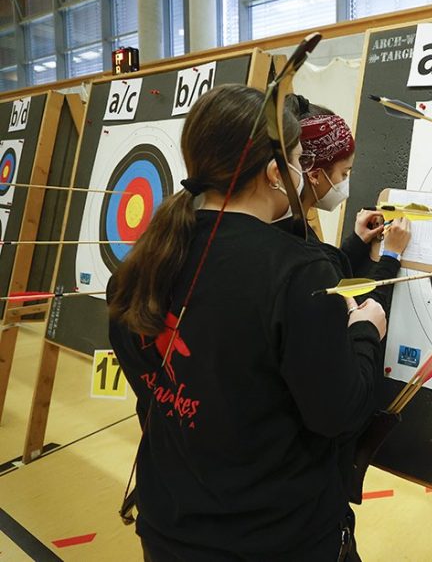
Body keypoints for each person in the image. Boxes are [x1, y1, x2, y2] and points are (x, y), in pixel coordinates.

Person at [108, 84, 385, 561]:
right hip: (277, 539)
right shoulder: (297, 272)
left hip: (170, 531)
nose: (302, 171)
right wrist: (364, 332)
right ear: (276, 173)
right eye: (298, 159)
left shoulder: (147, 259)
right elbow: (340, 416)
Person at [283, 94, 411, 315]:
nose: (345, 182)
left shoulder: (290, 226)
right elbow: (354, 312)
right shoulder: (298, 247)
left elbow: (331, 275)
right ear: (314, 174)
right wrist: (391, 256)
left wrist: (358, 243)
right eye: (344, 173)